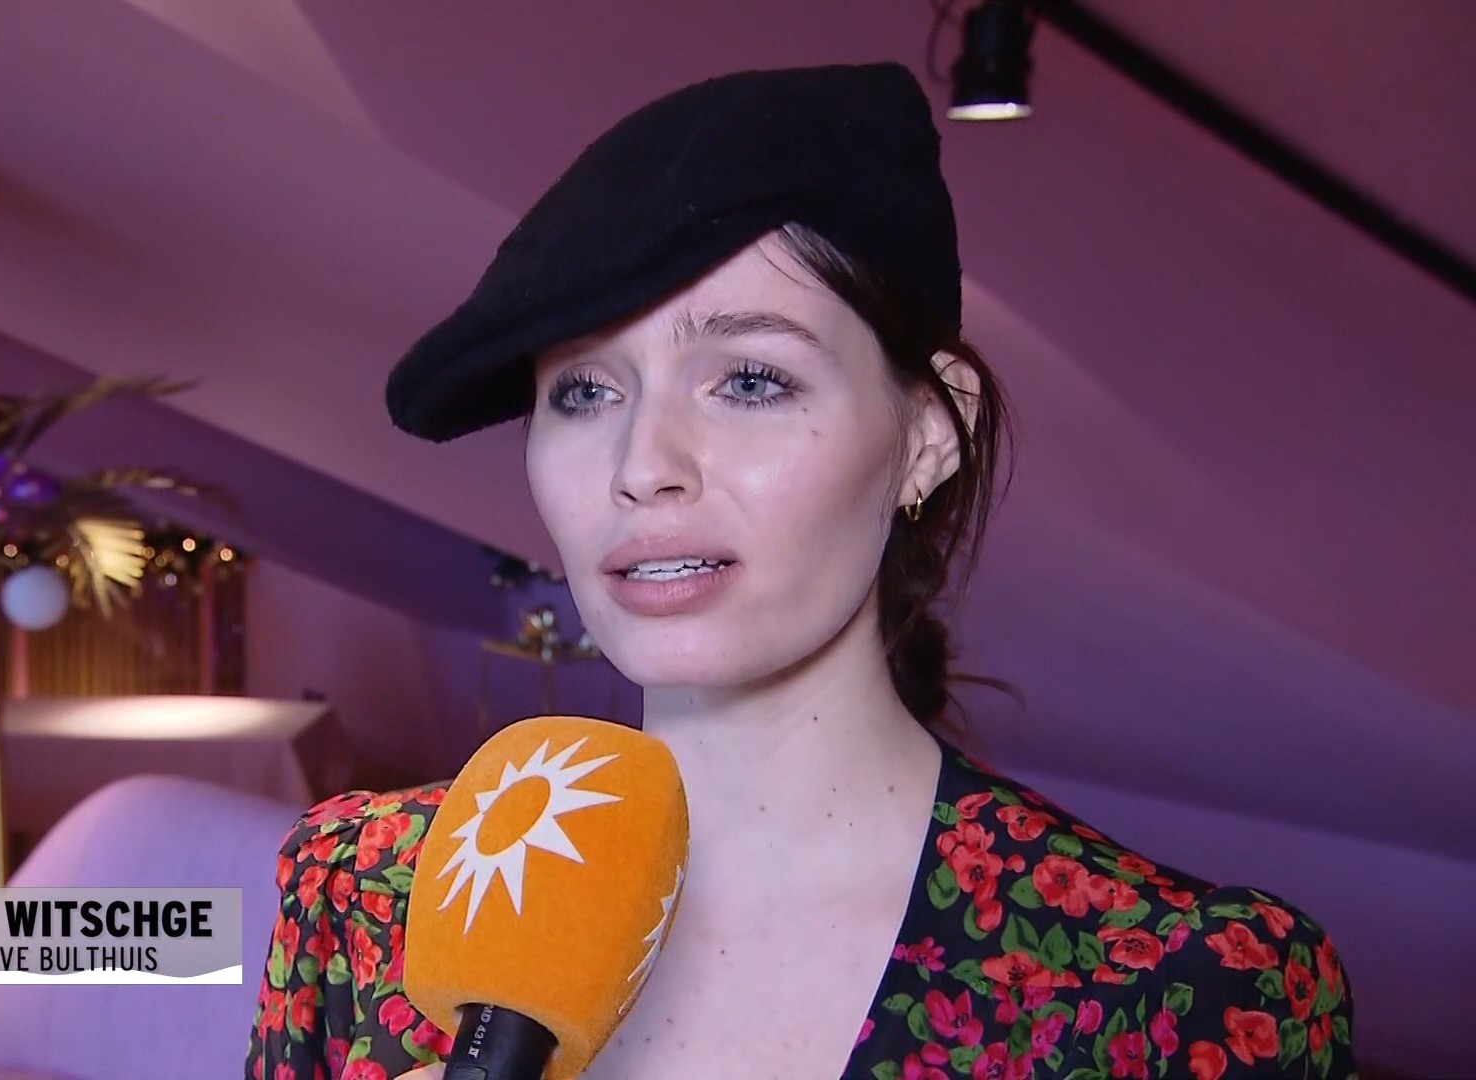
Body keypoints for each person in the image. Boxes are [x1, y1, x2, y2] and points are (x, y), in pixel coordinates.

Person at [245, 63, 1357, 1080]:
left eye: (750, 382)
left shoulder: (1160, 992)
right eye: (584, 391)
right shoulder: (364, 898)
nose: (643, 467)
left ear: (930, 434)